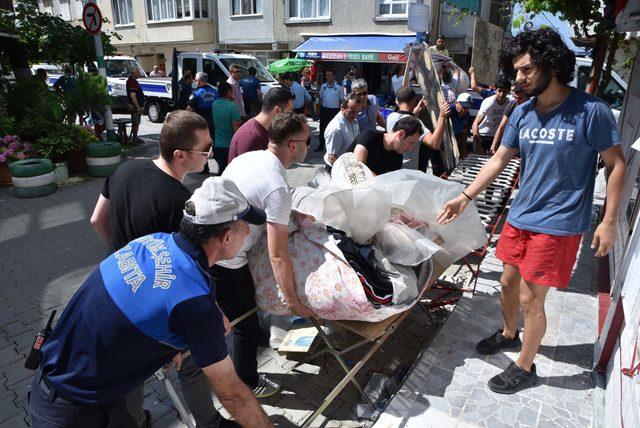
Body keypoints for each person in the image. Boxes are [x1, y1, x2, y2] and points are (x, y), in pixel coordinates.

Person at [437, 28, 626, 395]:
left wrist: (609, 221)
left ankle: (525, 365)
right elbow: (499, 159)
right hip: (520, 215)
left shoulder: (591, 111)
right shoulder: (523, 112)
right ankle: (510, 334)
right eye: (517, 71)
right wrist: (466, 196)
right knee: (507, 284)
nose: (518, 77)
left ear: (551, 65)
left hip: (558, 223)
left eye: (526, 70)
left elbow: (616, 165)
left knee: (531, 297)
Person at [34, 174, 273, 428]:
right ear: (226, 238)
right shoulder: (192, 299)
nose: (249, 231)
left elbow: (139, 309)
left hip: (58, 381)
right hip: (77, 411)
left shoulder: (152, 242)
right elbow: (230, 393)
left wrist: (169, 346)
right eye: (245, 226)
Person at [90, 111, 226, 427]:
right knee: (191, 361)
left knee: (129, 372)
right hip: (150, 308)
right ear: (180, 155)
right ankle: (209, 422)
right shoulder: (182, 203)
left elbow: (97, 219)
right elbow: (184, 275)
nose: (210, 154)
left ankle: (135, 421)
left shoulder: (125, 169)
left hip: (113, 290)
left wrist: (122, 257)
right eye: (205, 149)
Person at [216, 112, 313, 399]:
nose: (310, 145)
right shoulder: (277, 186)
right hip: (227, 260)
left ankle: (258, 338)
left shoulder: (249, 158)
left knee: (245, 312)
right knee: (243, 324)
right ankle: (246, 383)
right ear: (293, 146)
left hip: (214, 247)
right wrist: (293, 302)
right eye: (307, 140)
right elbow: (278, 255)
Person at [386, 86, 449, 171]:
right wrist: (442, 117)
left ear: (397, 101)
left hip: (392, 169)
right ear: (413, 101)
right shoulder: (416, 123)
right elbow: (434, 144)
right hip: (409, 172)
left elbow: (406, 120)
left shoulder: (390, 117)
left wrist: (417, 110)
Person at [228, 88, 295, 163]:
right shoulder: (251, 137)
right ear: (277, 111)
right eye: (290, 111)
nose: (292, 116)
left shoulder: (266, 129)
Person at [350, 115, 423, 176]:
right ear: (401, 134)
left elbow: (389, 181)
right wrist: (380, 184)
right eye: (411, 143)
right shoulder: (369, 136)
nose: (410, 149)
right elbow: (357, 167)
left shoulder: (397, 157)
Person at [471, 77, 511, 154]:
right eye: (499, 91)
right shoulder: (488, 102)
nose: (501, 94)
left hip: (499, 137)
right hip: (483, 135)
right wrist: (478, 145)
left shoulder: (510, 102)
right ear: (495, 90)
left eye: (504, 92)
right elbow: (475, 124)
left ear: (508, 92)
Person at [324, 93, 362, 169]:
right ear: (342, 107)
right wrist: (348, 172)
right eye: (352, 112)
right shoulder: (336, 129)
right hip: (337, 170)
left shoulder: (352, 118)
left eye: (358, 112)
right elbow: (331, 158)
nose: (356, 115)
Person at [212, 82, 242, 175]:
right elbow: (236, 129)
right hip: (229, 147)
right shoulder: (233, 107)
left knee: (222, 172)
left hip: (217, 145)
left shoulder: (214, 104)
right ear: (229, 92)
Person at [489, 86, 531, 154]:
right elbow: (501, 127)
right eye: (515, 98)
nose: (517, 101)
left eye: (520, 98)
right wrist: (493, 147)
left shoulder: (534, 108)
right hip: (511, 141)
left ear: (528, 97)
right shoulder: (512, 104)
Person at [187, 72, 219, 140]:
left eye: (195, 80)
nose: (194, 81)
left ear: (199, 82)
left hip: (201, 123)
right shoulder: (215, 91)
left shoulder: (196, 94)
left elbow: (189, 110)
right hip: (214, 123)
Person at [316, 69, 342, 152]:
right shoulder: (323, 86)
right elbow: (320, 98)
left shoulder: (339, 87)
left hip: (335, 111)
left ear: (333, 76)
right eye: (327, 75)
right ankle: (321, 146)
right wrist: (318, 109)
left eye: (330, 75)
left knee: (334, 130)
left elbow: (341, 101)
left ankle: (332, 148)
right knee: (322, 128)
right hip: (324, 110)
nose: (328, 77)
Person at [449, 92, 473, 158]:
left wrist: (463, 149)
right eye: (464, 106)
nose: (465, 110)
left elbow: (464, 132)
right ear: (457, 103)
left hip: (456, 139)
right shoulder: (449, 112)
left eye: (468, 108)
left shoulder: (467, 115)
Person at [126, 68, 144, 145]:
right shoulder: (132, 82)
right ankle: (134, 139)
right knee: (136, 122)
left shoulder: (132, 81)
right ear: (133, 74)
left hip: (135, 105)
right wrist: (138, 107)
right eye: (138, 72)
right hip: (134, 106)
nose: (139, 73)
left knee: (136, 122)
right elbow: (133, 96)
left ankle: (135, 138)